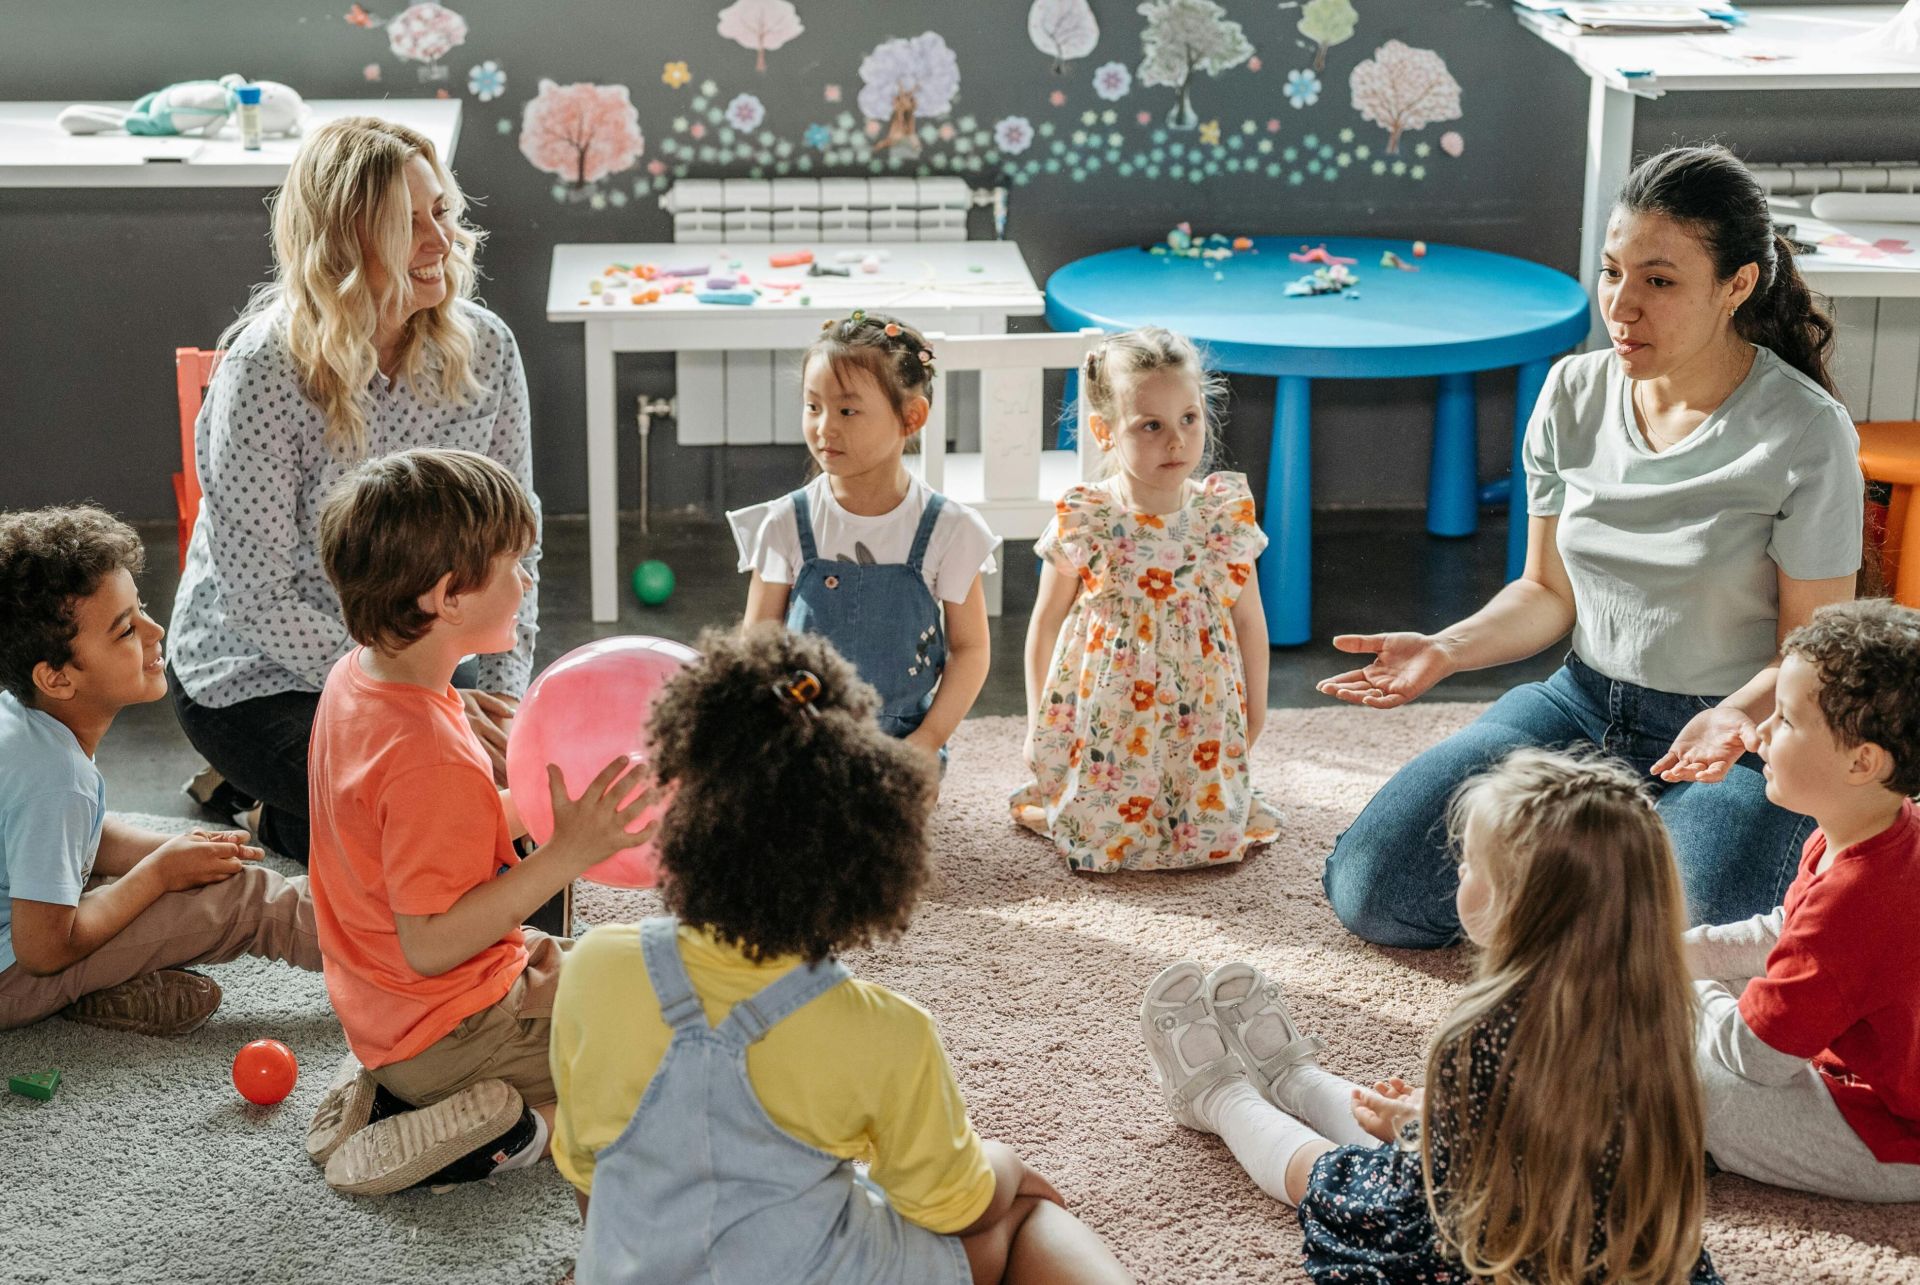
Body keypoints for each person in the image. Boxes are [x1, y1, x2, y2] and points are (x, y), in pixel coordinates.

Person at [1319, 144, 1862, 947]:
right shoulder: (1572, 392)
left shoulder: (1807, 431)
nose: (1622, 305)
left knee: (1685, 946)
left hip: (1735, 733)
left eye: (1660, 281)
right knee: (1374, 888)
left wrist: (1734, 717)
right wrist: (1446, 648)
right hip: (1581, 700)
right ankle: (1601, 876)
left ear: (1737, 285)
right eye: (1612, 272)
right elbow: (1546, 592)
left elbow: (1809, 652)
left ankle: (1594, 882)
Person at [550, 624, 1132, 1285]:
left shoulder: (593, 967)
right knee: (1024, 1220)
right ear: (867, 855)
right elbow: (954, 1205)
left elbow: (591, 1174)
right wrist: (1007, 1167)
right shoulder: (887, 1031)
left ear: (678, 810)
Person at [1141, 748, 1720, 1283]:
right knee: (1393, 1134)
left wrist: (1417, 1130)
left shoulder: (1488, 1031)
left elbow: (1452, 1180)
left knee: (1332, 1176)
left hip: (1498, 1250)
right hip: (1614, 1249)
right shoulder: (1663, 1011)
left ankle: (1220, 1099)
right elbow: (1548, 1138)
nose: (1459, 873)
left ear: (1515, 904)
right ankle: (1294, 1080)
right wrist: (1437, 1119)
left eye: (1469, 865)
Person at [167, 115, 539, 864]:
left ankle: (290, 805)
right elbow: (257, 599)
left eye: (441, 212)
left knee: (502, 805)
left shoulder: (487, 348)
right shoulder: (265, 370)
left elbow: (514, 546)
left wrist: (504, 702)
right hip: (257, 677)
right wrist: (422, 697)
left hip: (422, 649)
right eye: (407, 225)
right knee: (434, 820)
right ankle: (266, 808)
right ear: (341, 246)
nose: (440, 241)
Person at [301, 450, 655, 1197]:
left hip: (392, 1010)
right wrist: (565, 855)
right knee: (667, 1063)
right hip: (454, 1026)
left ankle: (393, 1093)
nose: (525, 582)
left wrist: (542, 809)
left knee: (628, 968)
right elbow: (431, 944)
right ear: (447, 597)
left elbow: (425, 836)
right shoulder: (427, 753)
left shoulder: (358, 678)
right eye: (512, 566)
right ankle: (510, 1132)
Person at [0, 506, 319, 1034]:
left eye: (141, 609)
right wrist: (160, 873)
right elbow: (44, 949)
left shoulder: (21, 714)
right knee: (243, 899)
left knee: (138, 877)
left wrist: (172, 851)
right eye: (126, 630)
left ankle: (105, 987)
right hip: (16, 973)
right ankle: (406, 955)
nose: (156, 629)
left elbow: (77, 838)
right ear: (56, 678)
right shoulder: (56, 780)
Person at [1011, 327, 1277, 872]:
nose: (1176, 441)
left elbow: (1250, 620)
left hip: (1200, 711)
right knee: (1099, 829)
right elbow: (1045, 623)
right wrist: (1039, 722)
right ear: (1104, 431)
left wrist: (1257, 710)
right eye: (1151, 425)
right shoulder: (1087, 517)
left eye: (1188, 418)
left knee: (1204, 829)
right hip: (1110, 715)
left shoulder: (1221, 517)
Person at [1685, 599, 1920, 1201]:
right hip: (1877, 1068)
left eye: (1786, 720)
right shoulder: (1873, 829)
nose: (1760, 732)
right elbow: (1786, 930)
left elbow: (1753, 1059)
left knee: (1696, 1083)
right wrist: (1672, 951)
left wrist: (1682, 989)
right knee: (1707, 993)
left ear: (1862, 762)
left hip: (1895, 1135)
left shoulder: (1854, 901)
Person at [729, 311, 996, 767]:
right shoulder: (786, 521)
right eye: (813, 406)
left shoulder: (949, 529)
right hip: (802, 739)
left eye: (847, 411)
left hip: (902, 746)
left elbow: (970, 649)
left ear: (911, 417)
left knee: (885, 808)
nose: (824, 428)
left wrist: (929, 739)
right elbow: (758, 641)